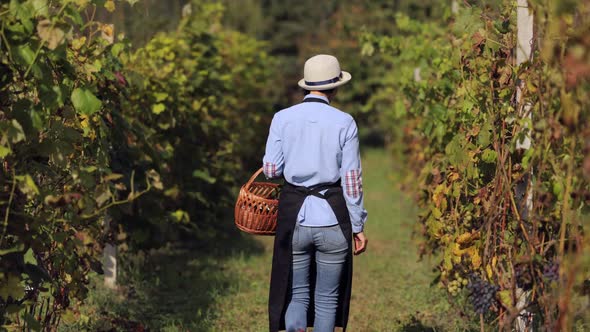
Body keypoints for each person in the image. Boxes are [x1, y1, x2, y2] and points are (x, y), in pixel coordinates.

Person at [263, 54, 368, 332]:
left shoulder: (282, 118)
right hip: (333, 220)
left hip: (294, 219)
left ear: (306, 87)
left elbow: (271, 169)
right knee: (327, 299)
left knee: (296, 295)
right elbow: (352, 180)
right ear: (335, 88)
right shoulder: (345, 122)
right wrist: (357, 226)